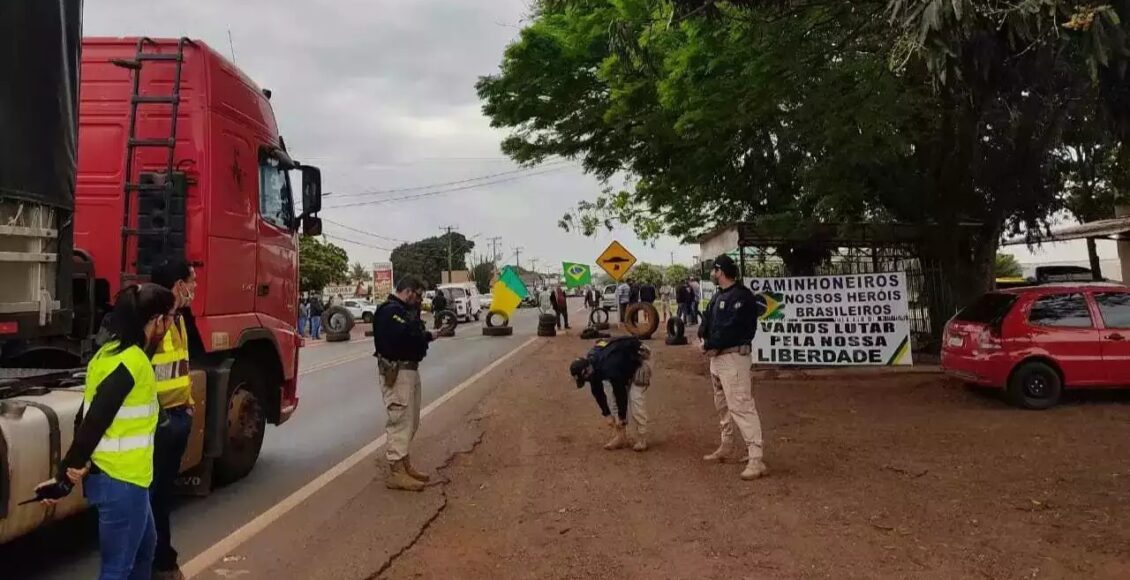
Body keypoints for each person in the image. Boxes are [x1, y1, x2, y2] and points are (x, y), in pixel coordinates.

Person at [39, 283, 176, 580]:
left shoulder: (109, 354)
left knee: (145, 550)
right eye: (169, 319)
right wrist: (67, 472)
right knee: (117, 569)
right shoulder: (133, 363)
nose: (171, 326)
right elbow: (96, 419)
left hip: (122, 478)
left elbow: (86, 412)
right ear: (154, 321)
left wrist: (76, 465)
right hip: (122, 481)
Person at [148, 259, 197, 579]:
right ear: (178, 286)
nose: (194, 288)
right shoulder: (153, 325)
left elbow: (180, 367)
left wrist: (189, 404)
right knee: (154, 496)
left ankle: (161, 557)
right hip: (160, 422)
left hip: (178, 417)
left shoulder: (178, 320)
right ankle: (160, 560)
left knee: (163, 493)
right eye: (191, 282)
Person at [698, 255, 767, 481]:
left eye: (714, 270)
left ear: (721, 271)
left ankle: (756, 457)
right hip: (716, 359)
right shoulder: (718, 296)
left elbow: (732, 327)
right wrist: (703, 337)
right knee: (723, 405)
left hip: (734, 357)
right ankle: (726, 444)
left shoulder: (743, 297)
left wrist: (710, 344)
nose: (712, 274)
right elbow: (707, 319)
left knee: (741, 405)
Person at [372, 276, 436, 492]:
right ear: (408, 291)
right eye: (417, 296)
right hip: (397, 372)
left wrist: (427, 335)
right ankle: (396, 471)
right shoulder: (390, 311)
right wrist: (420, 333)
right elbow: (406, 337)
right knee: (400, 420)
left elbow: (414, 335)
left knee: (411, 420)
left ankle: (405, 464)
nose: (419, 301)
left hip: (410, 370)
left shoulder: (403, 312)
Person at [569, 336, 651, 452]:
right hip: (622, 365)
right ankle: (621, 438)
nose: (586, 380)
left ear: (586, 370)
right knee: (614, 404)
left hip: (639, 360)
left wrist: (621, 418)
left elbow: (620, 392)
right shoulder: (591, 365)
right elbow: (597, 390)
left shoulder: (609, 366)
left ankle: (642, 439)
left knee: (635, 401)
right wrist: (607, 414)